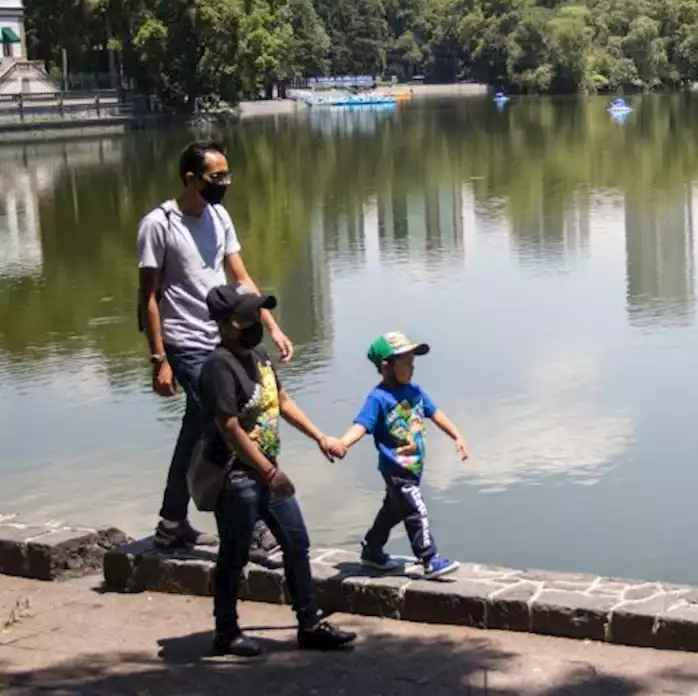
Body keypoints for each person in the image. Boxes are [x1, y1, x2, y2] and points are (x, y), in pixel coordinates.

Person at [137, 141, 292, 555]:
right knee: (230, 422)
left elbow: (240, 277)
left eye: (227, 175)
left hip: (219, 339)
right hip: (184, 344)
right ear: (191, 178)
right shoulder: (159, 224)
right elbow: (148, 297)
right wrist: (159, 359)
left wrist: (271, 326)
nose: (225, 183)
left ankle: (171, 524)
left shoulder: (219, 216)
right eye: (216, 177)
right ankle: (254, 526)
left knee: (196, 431)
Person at [199, 283, 355, 657]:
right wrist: (270, 473)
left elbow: (281, 400)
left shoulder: (259, 355)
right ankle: (226, 632)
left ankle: (310, 625)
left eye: (257, 315)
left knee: (296, 542)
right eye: (248, 316)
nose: (256, 322)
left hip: (268, 473)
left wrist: (319, 437)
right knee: (234, 555)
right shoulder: (218, 367)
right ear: (226, 323)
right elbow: (230, 429)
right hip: (237, 477)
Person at [337, 332, 470, 580]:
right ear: (386, 366)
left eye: (413, 363)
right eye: (406, 363)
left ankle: (373, 550)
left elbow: (436, 413)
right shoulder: (378, 398)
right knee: (415, 511)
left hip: (414, 468)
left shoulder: (415, 391)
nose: (412, 368)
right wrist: (343, 442)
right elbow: (362, 425)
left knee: (393, 511)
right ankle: (429, 559)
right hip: (396, 469)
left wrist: (456, 435)